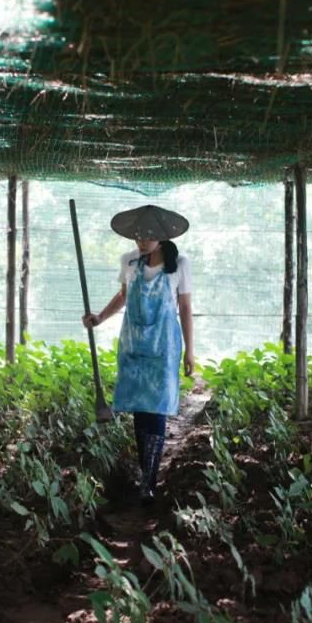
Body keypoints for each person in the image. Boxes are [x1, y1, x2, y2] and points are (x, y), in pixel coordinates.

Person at [82, 205, 194, 504]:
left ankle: (149, 480)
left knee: (155, 408)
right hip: (133, 343)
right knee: (138, 408)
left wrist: (190, 352)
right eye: (138, 236)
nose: (141, 241)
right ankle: (146, 473)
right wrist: (99, 318)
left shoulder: (179, 263)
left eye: (148, 236)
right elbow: (123, 295)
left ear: (162, 237)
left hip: (163, 345)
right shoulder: (129, 262)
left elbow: (184, 308)